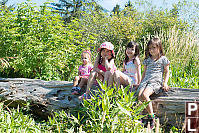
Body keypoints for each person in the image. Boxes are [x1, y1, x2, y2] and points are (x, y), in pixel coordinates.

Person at [137, 37, 170, 129]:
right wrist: (140, 83)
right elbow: (144, 73)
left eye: (154, 48)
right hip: (146, 80)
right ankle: (141, 117)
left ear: (159, 47)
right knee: (139, 95)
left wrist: (165, 83)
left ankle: (152, 117)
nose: (151, 50)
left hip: (155, 81)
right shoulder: (147, 59)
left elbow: (167, 72)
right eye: (150, 48)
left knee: (145, 95)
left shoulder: (163, 59)